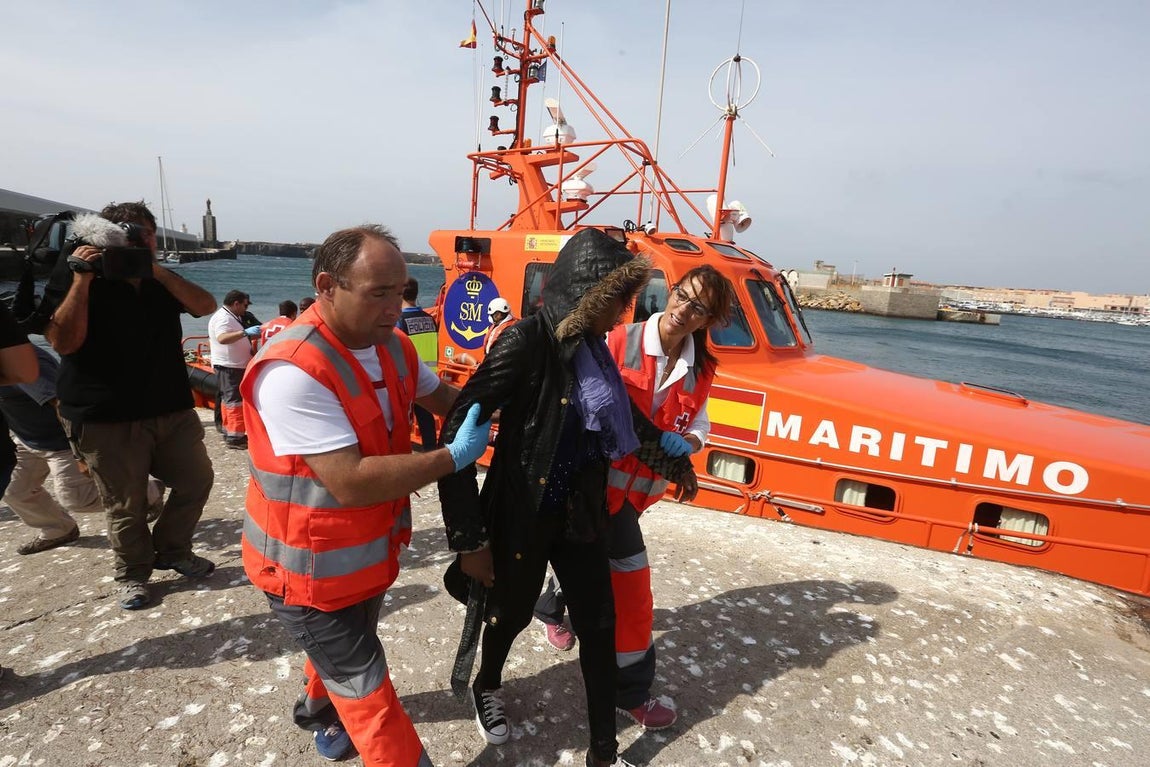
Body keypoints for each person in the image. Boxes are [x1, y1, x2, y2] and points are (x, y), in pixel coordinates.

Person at [437, 227, 696, 767]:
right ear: (587, 296)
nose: (625, 314)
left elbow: (624, 419)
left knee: (598, 627)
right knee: (506, 617)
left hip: (581, 514)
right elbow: (457, 433)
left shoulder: (596, 352)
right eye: (617, 300)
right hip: (523, 514)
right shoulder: (526, 342)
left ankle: (603, 751)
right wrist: (469, 539)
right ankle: (488, 685)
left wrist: (670, 456)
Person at [241, 224, 489, 765]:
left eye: (401, 292)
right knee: (369, 694)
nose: (395, 308)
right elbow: (349, 481)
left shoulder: (392, 346)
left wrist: (499, 410)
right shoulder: (292, 370)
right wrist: (452, 457)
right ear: (327, 286)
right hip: (304, 570)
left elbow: (442, 395)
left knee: (344, 647)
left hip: (364, 554)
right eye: (378, 293)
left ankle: (314, 712)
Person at [534, 264, 735, 730]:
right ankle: (632, 692)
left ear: (708, 320)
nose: (684, 309)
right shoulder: (617, 340)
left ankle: (550, 606)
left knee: (589, 562)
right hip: (590, 488)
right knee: (633, 598)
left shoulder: (701, 369)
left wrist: (688, 445)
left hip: (633, 500)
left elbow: (700, 423)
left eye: (699, 307)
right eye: (682, 295)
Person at [46, 200, 218, 611]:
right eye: (126, 235)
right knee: (126, 504)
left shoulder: (160, 278)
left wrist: (152, 268)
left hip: (170, 407)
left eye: (144, 235)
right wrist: (83, 278)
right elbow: (62, 342)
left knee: (196, 481)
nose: (135, 242)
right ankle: (133, 573)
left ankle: (173, 550)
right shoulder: (77, 273)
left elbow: (205, 306)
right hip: (104, 414)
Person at [0, 347, 101, 555]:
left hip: (61, 441)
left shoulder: (21, 361)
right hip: (28, 440)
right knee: (14, 490)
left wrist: (79, 452)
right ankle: (59, 529)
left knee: (77, 498)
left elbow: (62, 405)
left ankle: (148, 493)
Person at [208, 289, 257, 449]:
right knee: (234, 401)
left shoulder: (230, 316)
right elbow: (222, 338)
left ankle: (229, 430)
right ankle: (235, 437)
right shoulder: (224, 318)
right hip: (230, 366)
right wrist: (244, 333)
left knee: (228, 400)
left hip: (233, 364)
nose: (246, 308)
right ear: (236, 303)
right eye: (244, 305)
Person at [396, 277, 439, 450]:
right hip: (427, 380)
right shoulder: (429, 319)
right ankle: (432, 456)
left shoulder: (399, 322)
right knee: (427, 424)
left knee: (402, 425)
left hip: (405, 381)